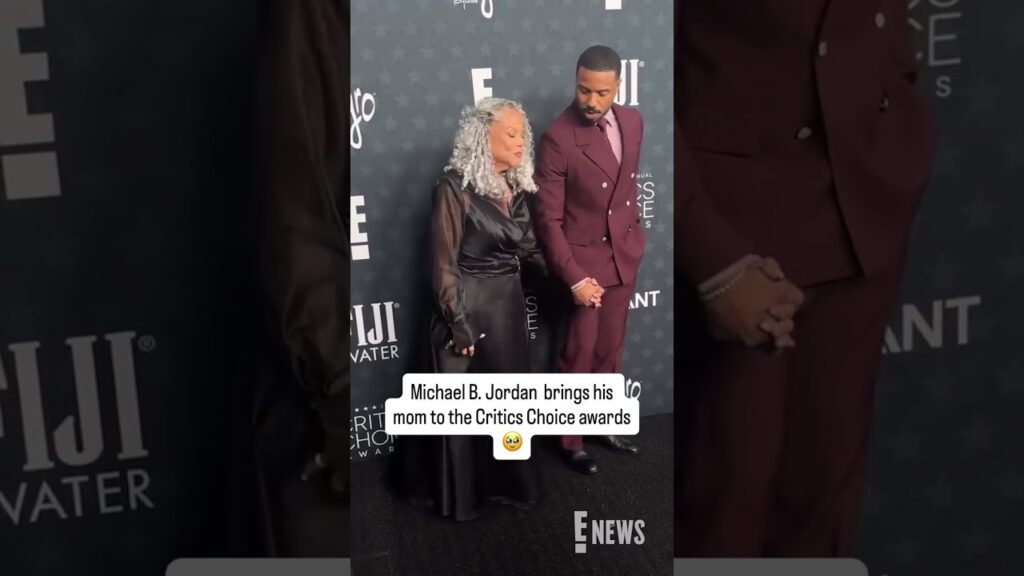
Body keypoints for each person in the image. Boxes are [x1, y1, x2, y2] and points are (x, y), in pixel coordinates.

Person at [675, 0, 936, 556]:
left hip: (861, 206)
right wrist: (710, 255)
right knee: (721, 515)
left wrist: (893, 114)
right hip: (731, 228)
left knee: (822, 511)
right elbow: (623, 67)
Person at [418, 97, 547, 521]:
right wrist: (458, 323)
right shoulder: (453, 189)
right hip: (468, 309)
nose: (520, 143)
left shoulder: (517, 187)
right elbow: (442, 264)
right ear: (481, 136)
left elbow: (529, 251)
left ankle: (508, 486)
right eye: (510, 133)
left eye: (522, 135)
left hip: (506, 308)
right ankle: (461, 500)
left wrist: (576, 280)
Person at [533, 45, 645, 475]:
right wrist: (575, 278)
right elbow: (547, 220)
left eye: (601, 92)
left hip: (623, 257)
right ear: (575, 83)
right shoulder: (558, 138)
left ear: (618, 86)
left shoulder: (634, 122)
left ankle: (602, 422)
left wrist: (634, 239)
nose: (592, 101)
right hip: (583, 266)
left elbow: (625, 192)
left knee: (610, 352)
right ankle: (569, 440)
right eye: (583, 90)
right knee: (577, 354)